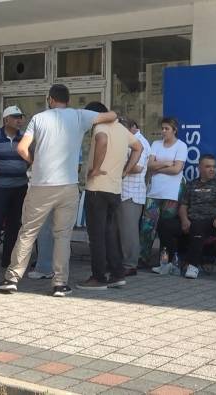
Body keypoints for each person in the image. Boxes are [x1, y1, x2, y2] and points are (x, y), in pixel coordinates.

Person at [0, 84, 117, 297]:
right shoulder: (79, 116)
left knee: (28, 232)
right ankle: (60, 283)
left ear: (50, 99)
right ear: (67, 100)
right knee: (62, 236)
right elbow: (112, 115)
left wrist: (34, 162)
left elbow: (22, 148)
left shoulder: (39, 118)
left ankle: (12, 278)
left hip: (41, 185)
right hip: (68, 185)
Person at [77, 103, 142, 290]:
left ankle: (98, 277)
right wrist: (124, 171)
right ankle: (117, 274)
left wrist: (95, 169)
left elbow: (103, 141)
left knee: (97, 236)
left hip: (97, 188)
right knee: (111, 234)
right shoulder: (122, 130)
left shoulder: (100, 126)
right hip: (115, 189)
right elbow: (138, 148)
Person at [156, 154, 216, 278]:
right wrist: (184, 220)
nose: (212, 169)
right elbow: (183, 207)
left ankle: (192, 266)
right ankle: (167, 263)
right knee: (165, 224)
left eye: (214, 167)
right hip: (190, 221)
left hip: (213, 223)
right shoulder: (191, 185)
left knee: (197, 225)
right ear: (199, 168)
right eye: (208, 166)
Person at [0, 106, 29, 272]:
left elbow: (30, 157)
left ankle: (8, 260)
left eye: (21, 117)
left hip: (19, 187)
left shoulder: (24, 137)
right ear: (6, 120)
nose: (20, 121)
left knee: (14, 225)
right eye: (15, 117)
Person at [139, 117, 188, 268]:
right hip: (154, 192)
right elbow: (149, 165)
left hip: (171, 193)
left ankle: (164, 260)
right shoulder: (156, 144)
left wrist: (158, 167)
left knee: (166, 228)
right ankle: (143, 258)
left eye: (167, 128)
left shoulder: (181, 146)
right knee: (147, 227)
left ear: (174, 130)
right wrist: (167, 163)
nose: (163, 131)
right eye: (162, 128)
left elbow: (176, 169)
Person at [116, 118, 151, 276]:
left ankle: (130, 264)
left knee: (129, 231)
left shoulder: (139, 142)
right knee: (122, 230)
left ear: (133, 128)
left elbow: (138, 167)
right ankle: (122, 261)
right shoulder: (130, 139)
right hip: (123, 192)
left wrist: (118, 166)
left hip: (132, 193)